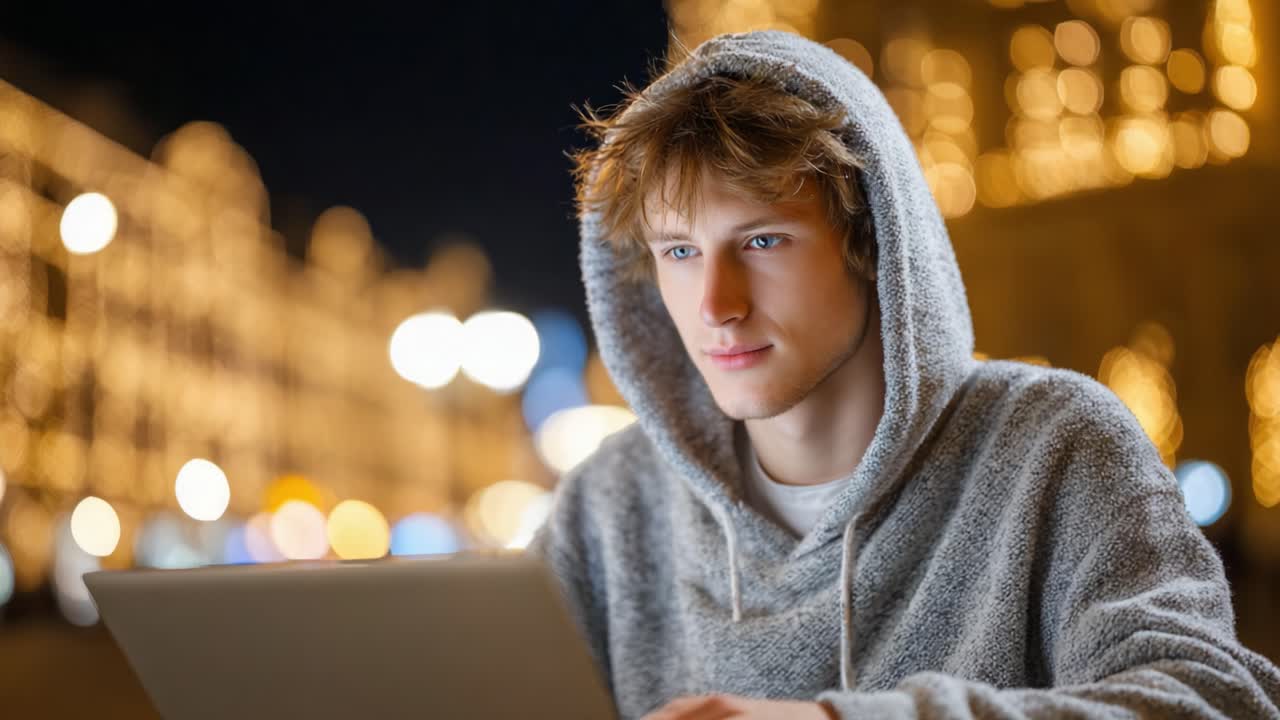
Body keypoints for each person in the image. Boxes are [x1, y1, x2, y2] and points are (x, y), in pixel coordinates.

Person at [529, 29, 1280, 719]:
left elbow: (1212, 700)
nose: (715, 306)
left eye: (762, 241)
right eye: (680, 252)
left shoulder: (1055, 447)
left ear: (873, 244)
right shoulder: (607, 505)